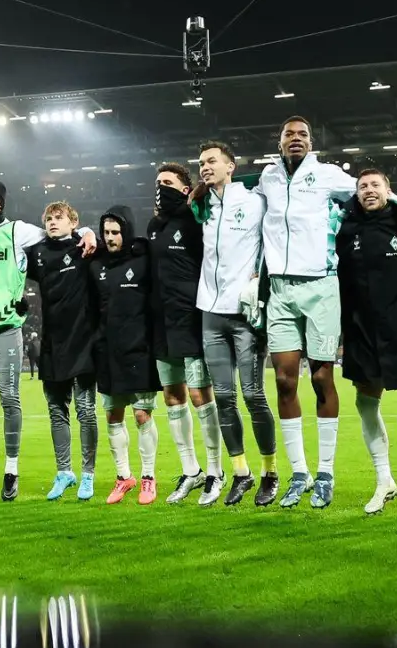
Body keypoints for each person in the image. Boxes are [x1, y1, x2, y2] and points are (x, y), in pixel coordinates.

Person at [0, 177, 93, 501]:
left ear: (1, 201)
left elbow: (61, 235)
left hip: (6, 328)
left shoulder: (19, 231)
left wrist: (87, 232)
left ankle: (12, 470)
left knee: (9, 399)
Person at [253, 117, 356, 509]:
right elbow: (242, 190)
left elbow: (369, 193)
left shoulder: (329, 175)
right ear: (279, 142)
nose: (295, 140)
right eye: (288, 135)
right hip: (279, 288)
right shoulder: (268, 178)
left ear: (311, 143)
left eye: (303, 135)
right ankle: (300, 473)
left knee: (321, 375)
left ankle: (326, 471)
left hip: (321, 286)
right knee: (283, 380)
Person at [335, 170, 397, 516]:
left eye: (375, 185)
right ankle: (384, 480)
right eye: (362, 187)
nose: (368, 190)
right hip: (361, 328)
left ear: (389, 191)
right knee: (365, 404)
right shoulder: (346, 227)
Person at [191, 141, 277, 506]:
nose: (205, 167)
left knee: (253, 394)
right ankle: (241, 473)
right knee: (224, 397)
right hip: (210, 313)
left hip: (245, 315)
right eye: (201, 163)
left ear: (231, 166)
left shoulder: (256, 201)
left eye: (212, 161)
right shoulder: (201, 205)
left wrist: (262, 281)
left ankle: (270, 473)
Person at [149, 163, 224, 505]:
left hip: (191, 319)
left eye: (168, 183)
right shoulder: (154, 225)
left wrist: (200, 194)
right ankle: (190, 470)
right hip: (161, 323)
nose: (160, 187)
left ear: (184, 188)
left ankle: (215, 470)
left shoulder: (198, 218)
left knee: (200, 396)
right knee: (173, 398)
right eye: (157, 183)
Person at [26, 202, 101, 501]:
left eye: (59, 218)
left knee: (85, 411)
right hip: (52, 342)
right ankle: (64, 472)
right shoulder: (38, 253)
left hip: (83, 341)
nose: (52, 222)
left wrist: (88, 232)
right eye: (48, 218)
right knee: (57, 411)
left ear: (73, 222)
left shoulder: (85, 249)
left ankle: (88, 475)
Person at [90, 205, 162, 505]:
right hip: (108, 352)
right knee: (112, 416)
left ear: (127, 231)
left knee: (142, 415)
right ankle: (124, 478)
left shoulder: (144, 259)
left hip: (140, 350)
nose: (110, 238)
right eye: (106, 232)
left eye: (116, 232)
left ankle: (148, 477)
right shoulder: (95, 265)